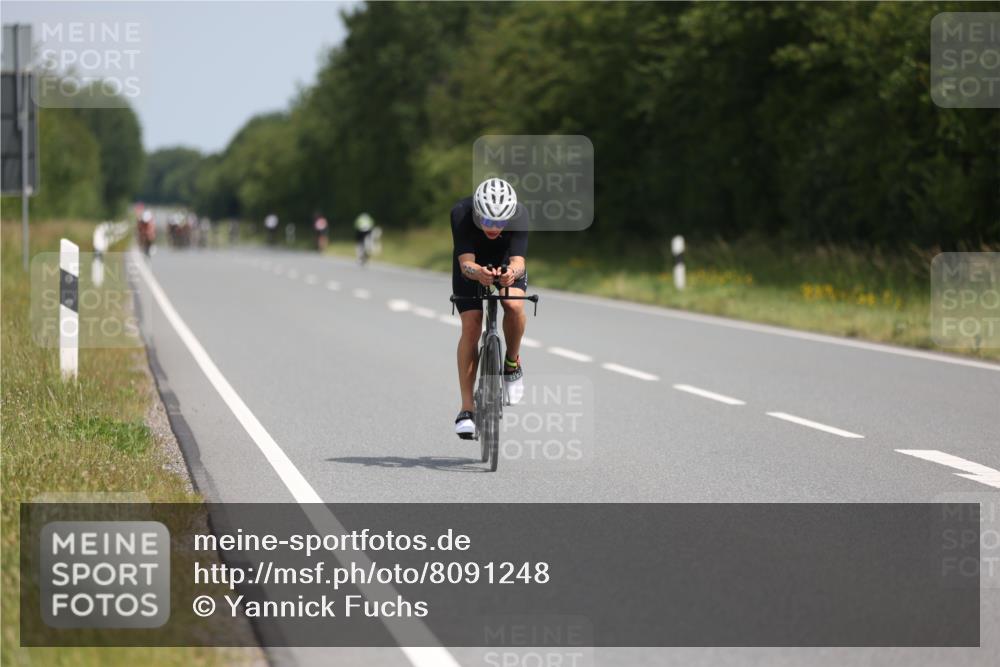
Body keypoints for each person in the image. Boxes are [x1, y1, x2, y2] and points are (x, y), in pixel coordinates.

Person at [452, 178, 528, 439]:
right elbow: (465, 264)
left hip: (506, 262)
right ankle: (466, 409)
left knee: (513, 304)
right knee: (471, 325)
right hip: (472, 263)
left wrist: (510, 274)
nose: (494, 228)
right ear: (477, 213)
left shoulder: (520, 214)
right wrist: (478, 273)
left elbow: (519, 261)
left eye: (500, 222)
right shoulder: (461, 213)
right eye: (487, 222)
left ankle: (511, 363)